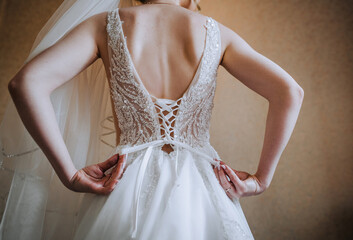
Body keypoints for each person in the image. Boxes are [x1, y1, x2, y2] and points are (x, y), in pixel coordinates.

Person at [0, 0, 304, 239]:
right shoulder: (216, 33)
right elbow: (290, 91)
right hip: (200, 194)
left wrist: (70, 175)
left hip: (123, 189)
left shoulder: (104, 25)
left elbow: (24, 84)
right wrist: (261, 180)